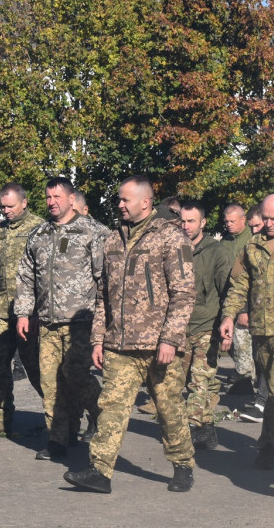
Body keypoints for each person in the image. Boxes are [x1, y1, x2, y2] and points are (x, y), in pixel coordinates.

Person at [63, 175, 195, 494]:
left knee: (168, 408)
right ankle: (100, 470)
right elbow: (103, 295)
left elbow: (184, 292)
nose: (119, 205)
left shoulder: (170, 237)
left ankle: (182, 464)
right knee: (112, 406)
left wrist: (170, 339)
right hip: (121, 344)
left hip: (159, 344)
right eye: (119, 200)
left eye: (125, 200)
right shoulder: (113, 239)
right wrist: (99, 339)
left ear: (145, 202)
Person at [14, 178, 108, 461]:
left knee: (76, 376)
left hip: (82, 321)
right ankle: (58, 438)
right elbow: (26, 276)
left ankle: (100, 412)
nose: (52, 202)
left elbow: (105, 279)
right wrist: (23, 312)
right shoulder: (39, 234)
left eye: (57, 196)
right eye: (48, 197)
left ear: (70, 199)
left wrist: (104, 322)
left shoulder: (94, 232)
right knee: (50, 382)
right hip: (48, 322)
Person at [218, 194, 274, 470]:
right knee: (268, 391)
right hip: (260, 329)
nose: (267, 224)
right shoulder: (253, 245)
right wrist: (229, 315)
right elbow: (241, 284)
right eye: (264, 218)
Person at [0, 182, 43, 433]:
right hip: (3, 311)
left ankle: (63, 418)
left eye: (11, 206)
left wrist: (36, 311)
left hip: (31, 313)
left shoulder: (39, 228)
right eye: (3, 206)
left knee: (38, 370)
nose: (5, 211)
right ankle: (0, 420)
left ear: (24, 202)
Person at [178, 202, 233, 450]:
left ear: (203, 222)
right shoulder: (175, 248)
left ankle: (188, 430)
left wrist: (227, 321)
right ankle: (207, 430)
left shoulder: (217, 252)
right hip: (180, 327)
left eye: (191, 221)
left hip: (207, 325)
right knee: (179, 381)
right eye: (183, 221)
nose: (186, 226)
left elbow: (227, 290)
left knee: (199, 382)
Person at [220, 204, 256, 393]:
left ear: (244, 220)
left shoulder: (252, 240)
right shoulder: (225, 242)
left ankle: (249, 383)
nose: (229, 224)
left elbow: (248, 280)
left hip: (246, 303)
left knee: (244, 344)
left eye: (233, 221)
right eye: (226, 221)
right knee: (234, 345)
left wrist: (244, 309)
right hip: (228, 301)